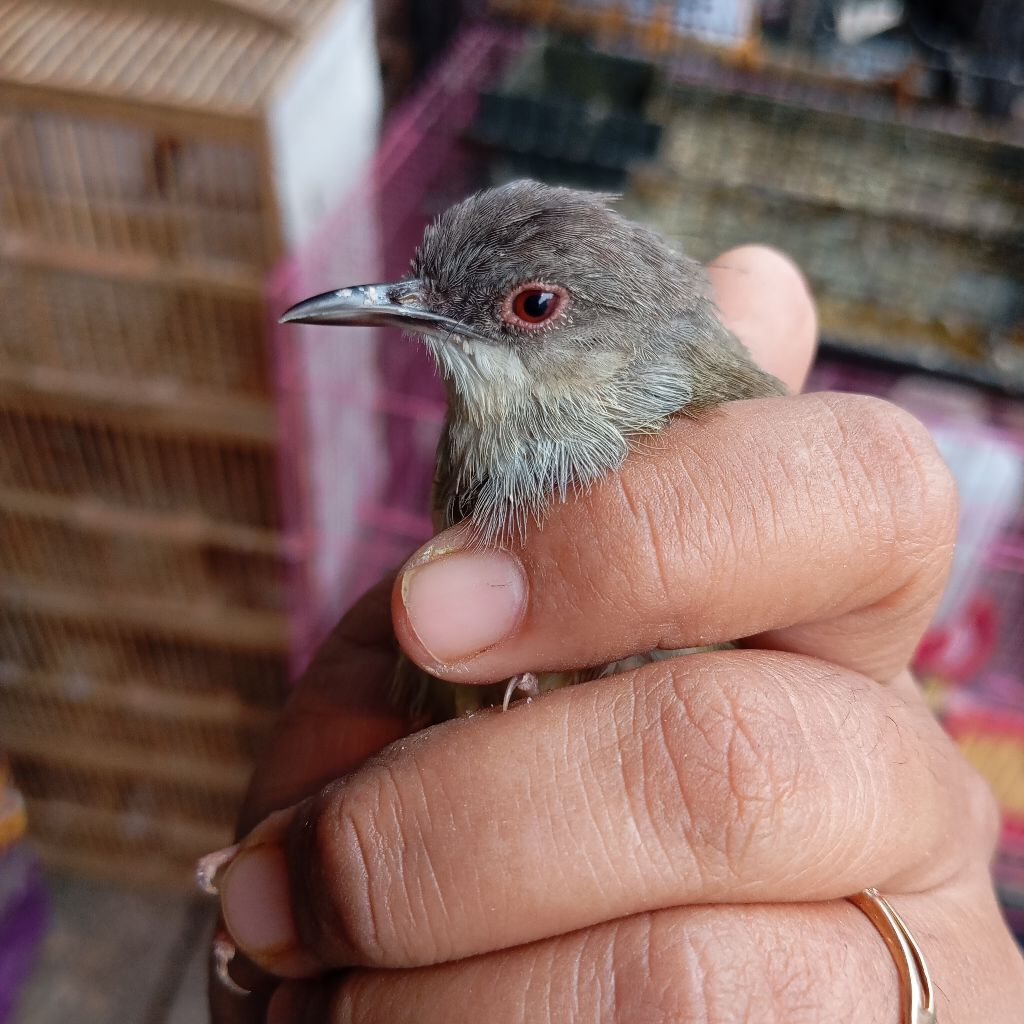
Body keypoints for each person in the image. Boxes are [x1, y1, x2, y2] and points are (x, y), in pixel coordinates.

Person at [208, 247, 1024, 1022]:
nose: (401, 308)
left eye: (529, 306)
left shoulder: (699, 415)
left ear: (616, 328)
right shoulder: (478, 444)